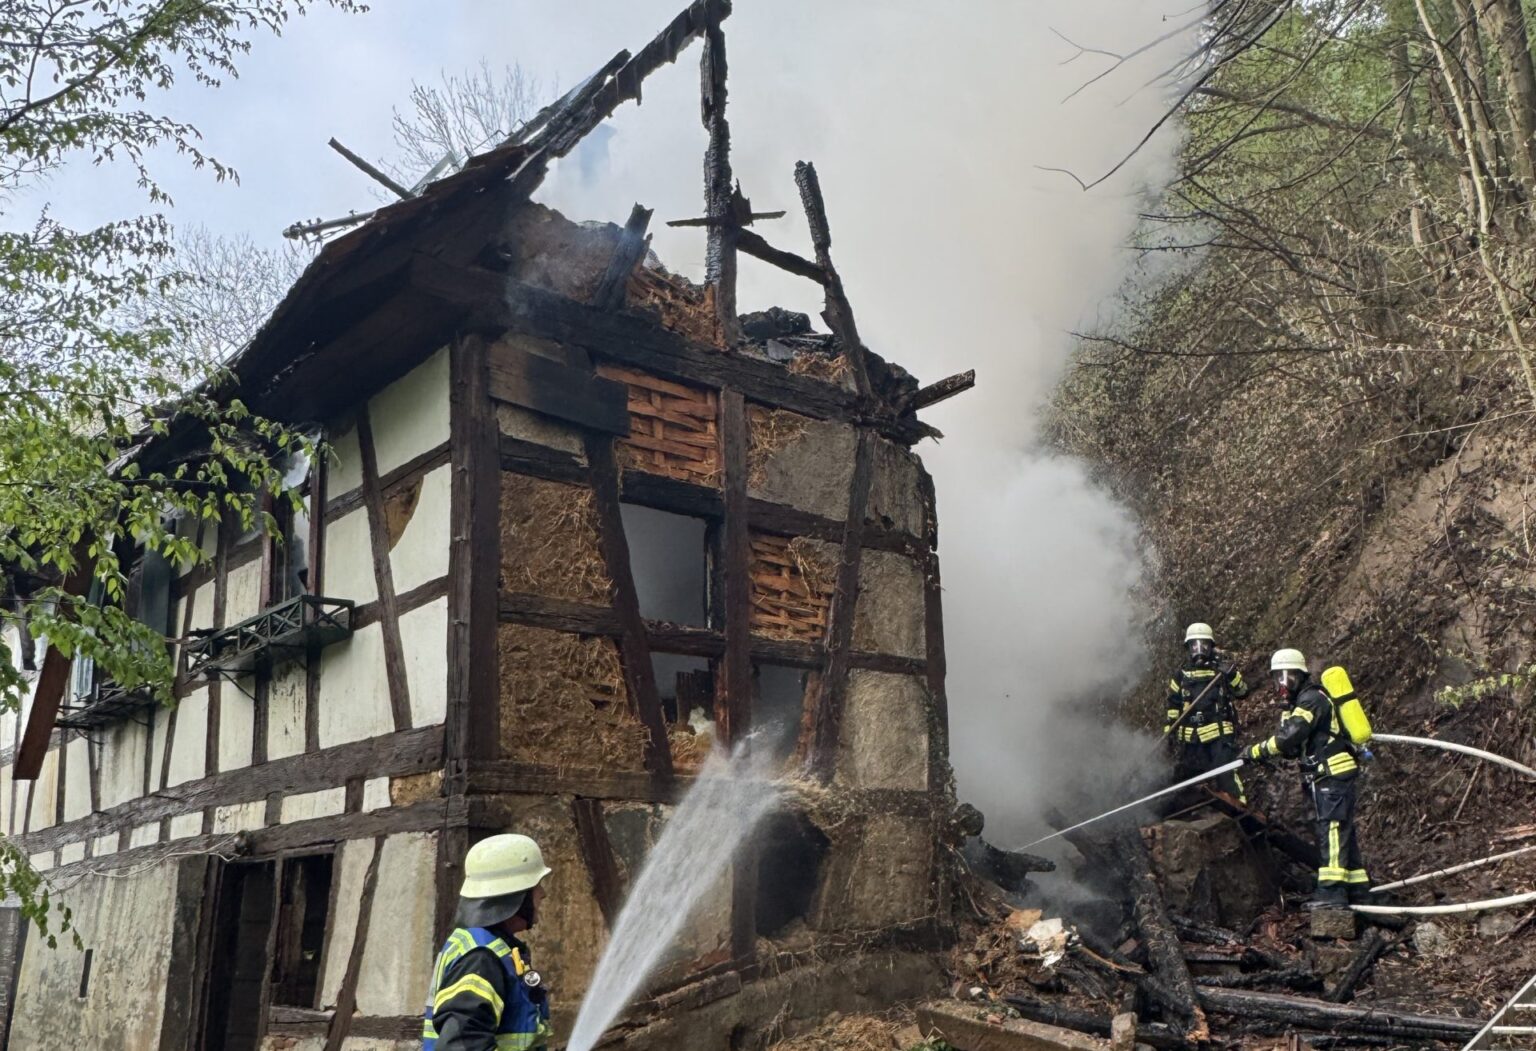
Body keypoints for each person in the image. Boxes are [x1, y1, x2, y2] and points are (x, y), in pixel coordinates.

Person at [1245, 648, 1370, 906]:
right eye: (1278, 678)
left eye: (1288, 677)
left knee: (1332, 829)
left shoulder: (1312, 699)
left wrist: (1254, 751)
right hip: (1325, 775)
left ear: (1301, 675)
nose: (1283, 683)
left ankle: (1332, 893)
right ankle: (1358, 889)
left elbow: (1289, 737)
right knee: (1341, 830)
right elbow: (1292, 748)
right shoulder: (1300, 704)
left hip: (1332, 773)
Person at [422, 834, 554, 1051]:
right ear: (513, 897)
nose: (543, 894)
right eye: (536, 886)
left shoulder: (489, 949)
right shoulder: (480, 959)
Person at [1165, 622, 1250, 802]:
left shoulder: (1221, 671)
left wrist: (1232, 675)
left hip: (1218, 735)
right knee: (1188, 782)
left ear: (1211, 647)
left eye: (1203, 645)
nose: (1199, 649)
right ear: (1188, 648)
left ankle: (1240, 809)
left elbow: (1242, 692)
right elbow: (1173, 706)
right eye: (1194, 645)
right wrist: (1169, 733)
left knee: (1226, 774)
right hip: (1190, 739)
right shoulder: (1181, 675)